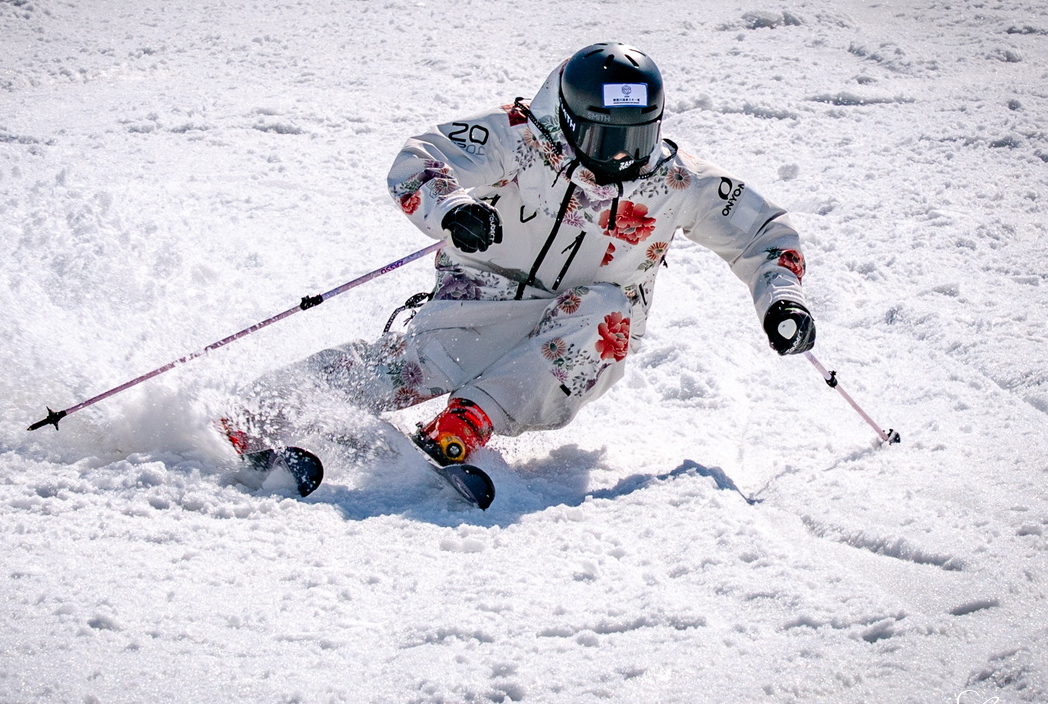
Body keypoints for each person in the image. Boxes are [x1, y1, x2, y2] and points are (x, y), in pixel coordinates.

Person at [223, 42, 814, 473]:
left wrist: (780, 298)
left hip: (581, 332)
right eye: (604, 137)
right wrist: (451, 208)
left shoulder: (677, 182)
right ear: (569, 117)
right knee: (405, 366)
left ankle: (468, 421)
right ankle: (264, 408)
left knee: (609, 312)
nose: (619, 157)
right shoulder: (521, 139)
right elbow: (422, 155)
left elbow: (764, 232)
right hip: (483, 300)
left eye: (636, 138)